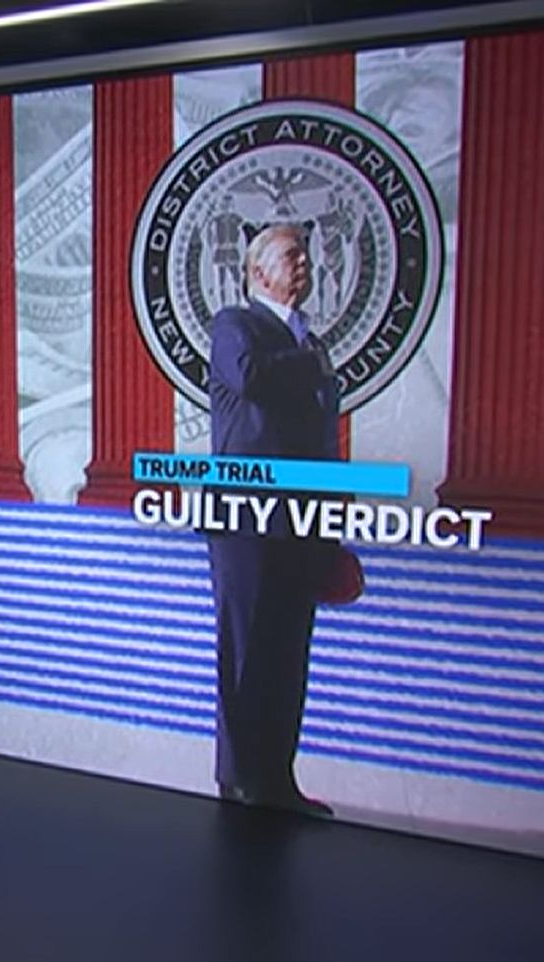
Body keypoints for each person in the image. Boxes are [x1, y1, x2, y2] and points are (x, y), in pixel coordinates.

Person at [202, 222, 341, 818]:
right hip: (246, 520)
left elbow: (324, 439)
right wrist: (310, 363)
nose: (303, 263)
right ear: (257, 271)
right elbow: (251, 379)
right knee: (247, 647)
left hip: (303, 521)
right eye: (290, 255)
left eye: (306, 255)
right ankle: (239, 781)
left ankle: (279, 782)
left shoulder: (312, 344)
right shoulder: (235, 325)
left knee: (289, 654)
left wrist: (333, 520)